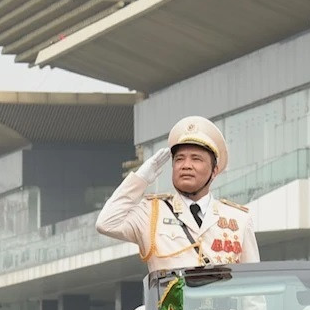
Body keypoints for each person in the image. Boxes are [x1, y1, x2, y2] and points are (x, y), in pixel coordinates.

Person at [96, 116, 258, 272]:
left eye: (196, 159)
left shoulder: (238, 219)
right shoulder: (151, 213)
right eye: (179, 159)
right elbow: (106, 223)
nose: (186, 165)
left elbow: (253, 287)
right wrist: (140, 179)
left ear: (214, 171)